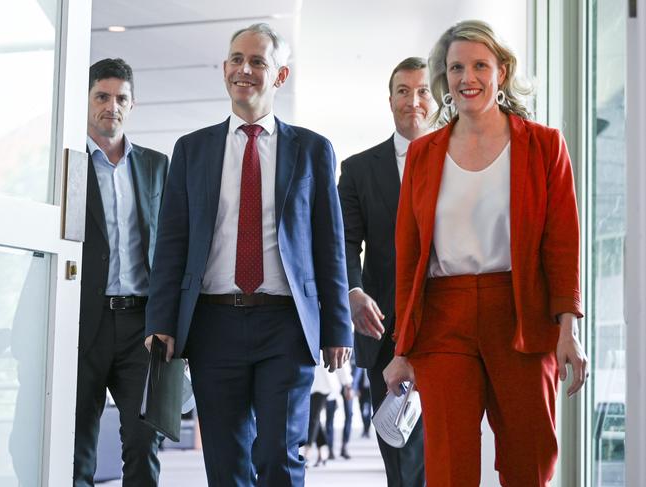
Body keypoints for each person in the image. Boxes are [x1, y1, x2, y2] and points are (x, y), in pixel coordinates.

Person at [144, 23, 353, 487]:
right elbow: (171, 244)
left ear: (279, 76)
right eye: (237, 59)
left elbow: (329, 246)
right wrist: (161, 322)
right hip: (212, 324)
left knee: (281, 456)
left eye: (258, 61)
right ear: (224, 71)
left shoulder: (312, 150)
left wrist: (338, 327)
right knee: (226, 461)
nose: (245, 69)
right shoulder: (192, 149)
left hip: (286, 325)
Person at [383, 20, 589, 487]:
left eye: (480, 64)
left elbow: (562, 244)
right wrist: (402, 348)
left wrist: (568, 329)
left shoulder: (544, 146)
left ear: (503, 70)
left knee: (530, 458)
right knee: (449, 465)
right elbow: (409, 254)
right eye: (456, 67)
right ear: (445, 77)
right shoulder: (423, 153)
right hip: (443, 316)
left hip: (520, 312)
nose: (467, 77)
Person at [74, 58, 169, 487]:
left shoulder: (155, 166)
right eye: (102, 96)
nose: (111, 106)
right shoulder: (68, 164)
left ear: (132, 105)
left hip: (141, 329)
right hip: (81, 323)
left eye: (121, 98)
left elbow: (172, 250)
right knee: (76, 448)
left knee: (144, 445)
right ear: (88, 100)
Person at [338, 57, 431, 486]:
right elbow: (343, 243)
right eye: (403, 91)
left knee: (449, 454)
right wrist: (354, 292)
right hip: (386, 333)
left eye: (424, 90)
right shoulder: (358, 170)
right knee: (402, 463)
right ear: (390, 99)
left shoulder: (460, 159)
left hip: (451, 326)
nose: (413, 100)